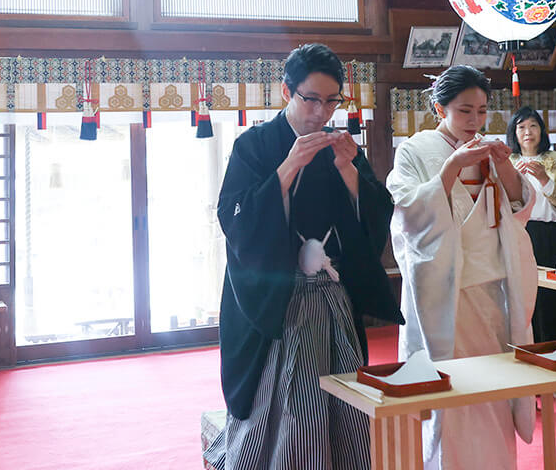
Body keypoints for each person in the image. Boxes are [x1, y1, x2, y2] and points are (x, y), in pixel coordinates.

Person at [203, 44, 402, 470]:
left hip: (331, 299)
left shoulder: (342, 146)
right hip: (277, 301)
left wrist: (349, 170)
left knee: (342, 396)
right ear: (286, 91)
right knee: (280, 402)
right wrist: (288, 167)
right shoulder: (255, 145)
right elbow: (233, 217)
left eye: (333, 100)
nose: (322, 111)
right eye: (311, 99)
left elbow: (374, 215)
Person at [386, 65, 536, 470]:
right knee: (450, 395)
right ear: (440, 108)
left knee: (493, 390)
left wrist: (504, 166)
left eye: (483, 111)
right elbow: (410, 211)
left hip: (492, 287)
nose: (475, 121)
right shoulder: (415, 149)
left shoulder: (488, 147)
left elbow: (519, 209)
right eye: (465, 111)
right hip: (445, 290)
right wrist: (451, 167)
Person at [507, 107, 556, 342]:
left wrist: (543, 178)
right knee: (522, 295)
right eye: (521, 127)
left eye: (533, 126)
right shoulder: (506, 162)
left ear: (542, 130)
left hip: (551, 234)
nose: (528, 132)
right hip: (519, 233)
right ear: (514, 133)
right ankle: (526, 346)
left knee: (552, 296)